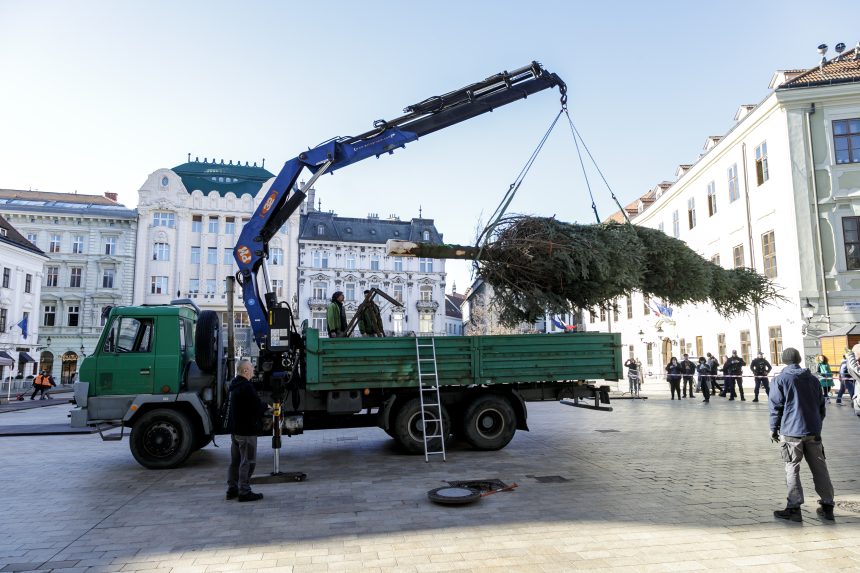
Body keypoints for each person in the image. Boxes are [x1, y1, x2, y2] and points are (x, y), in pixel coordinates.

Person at [769, 347, 834, 522]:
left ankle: (794, 508)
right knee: (820, 467)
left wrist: (773, 428)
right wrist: (817, 424)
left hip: (791, 431)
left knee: (792, 468)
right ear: (798, 359)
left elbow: (776, 407)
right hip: (813, 430)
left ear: (784, 360)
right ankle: (828, 506)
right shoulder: (813, 379)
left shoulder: (780, 380)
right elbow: (821, 405)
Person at [225, 359, 268, 502]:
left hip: (235, 431)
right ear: (245, 371)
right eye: (251, 368)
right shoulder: (247, 387)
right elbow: (255, 407)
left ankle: (232, 489)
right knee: (248, 461)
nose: (254, 370)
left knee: (235, 461)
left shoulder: (234, 385)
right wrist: (267, 406)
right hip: (247, 431)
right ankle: (244, 491)